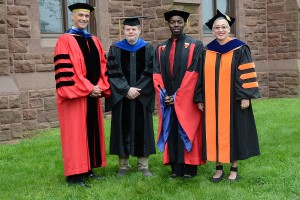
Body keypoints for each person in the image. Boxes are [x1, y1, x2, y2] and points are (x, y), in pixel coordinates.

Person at [194, 10, 260, 182]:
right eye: (217, 27)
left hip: (233, 101)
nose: (221, 30)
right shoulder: (207, 51)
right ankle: (218, 168)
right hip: (212, 101)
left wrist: (245, 96)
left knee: (234, 132)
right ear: (213, 30)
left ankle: (234, 168)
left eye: (224, 27)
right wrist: (200, 98)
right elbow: (200, 76)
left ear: (229, 29)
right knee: (214, 131)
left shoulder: (239, 48)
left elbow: (245, 74)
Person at [54, 3, 110, 187]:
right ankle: (74, 175)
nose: (84, 19)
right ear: (72, 17)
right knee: (75, 134)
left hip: (92, 95)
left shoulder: (94, 40)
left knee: (90, 131)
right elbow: (69, 71)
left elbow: (103, 65)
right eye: (80, 15)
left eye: (86, 16)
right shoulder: (65, 39)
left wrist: (100, 86)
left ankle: (88, 169)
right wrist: (88, 88)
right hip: (75, 96)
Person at [153, 10, 205, 179]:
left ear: (185, 23)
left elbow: (194, 74)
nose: (176, 25)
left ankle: (190, 168)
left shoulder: (195, 46)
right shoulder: (160, 48)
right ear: (168, 24)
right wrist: (164, 94)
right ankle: (176, 167)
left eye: (179, 22)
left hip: (187, 100)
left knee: (187, 128)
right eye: (173, 22)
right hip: (167, 98)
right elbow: (156, 73)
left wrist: (177, 96)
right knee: (172, 129)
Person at [105, 16, 156, 177]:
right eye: (128, 29)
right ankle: (123, 166)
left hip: (142, 96)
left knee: (143, 128)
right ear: (124, 31)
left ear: (139, 31)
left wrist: (137, 89)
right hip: (122, 97)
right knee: (122, 128)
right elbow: (112, 73)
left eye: (134, 29)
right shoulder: (115, 49)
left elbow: (152, 72)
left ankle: (143, 165)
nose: (131, 32)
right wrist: (126, 89)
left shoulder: (149, 49)